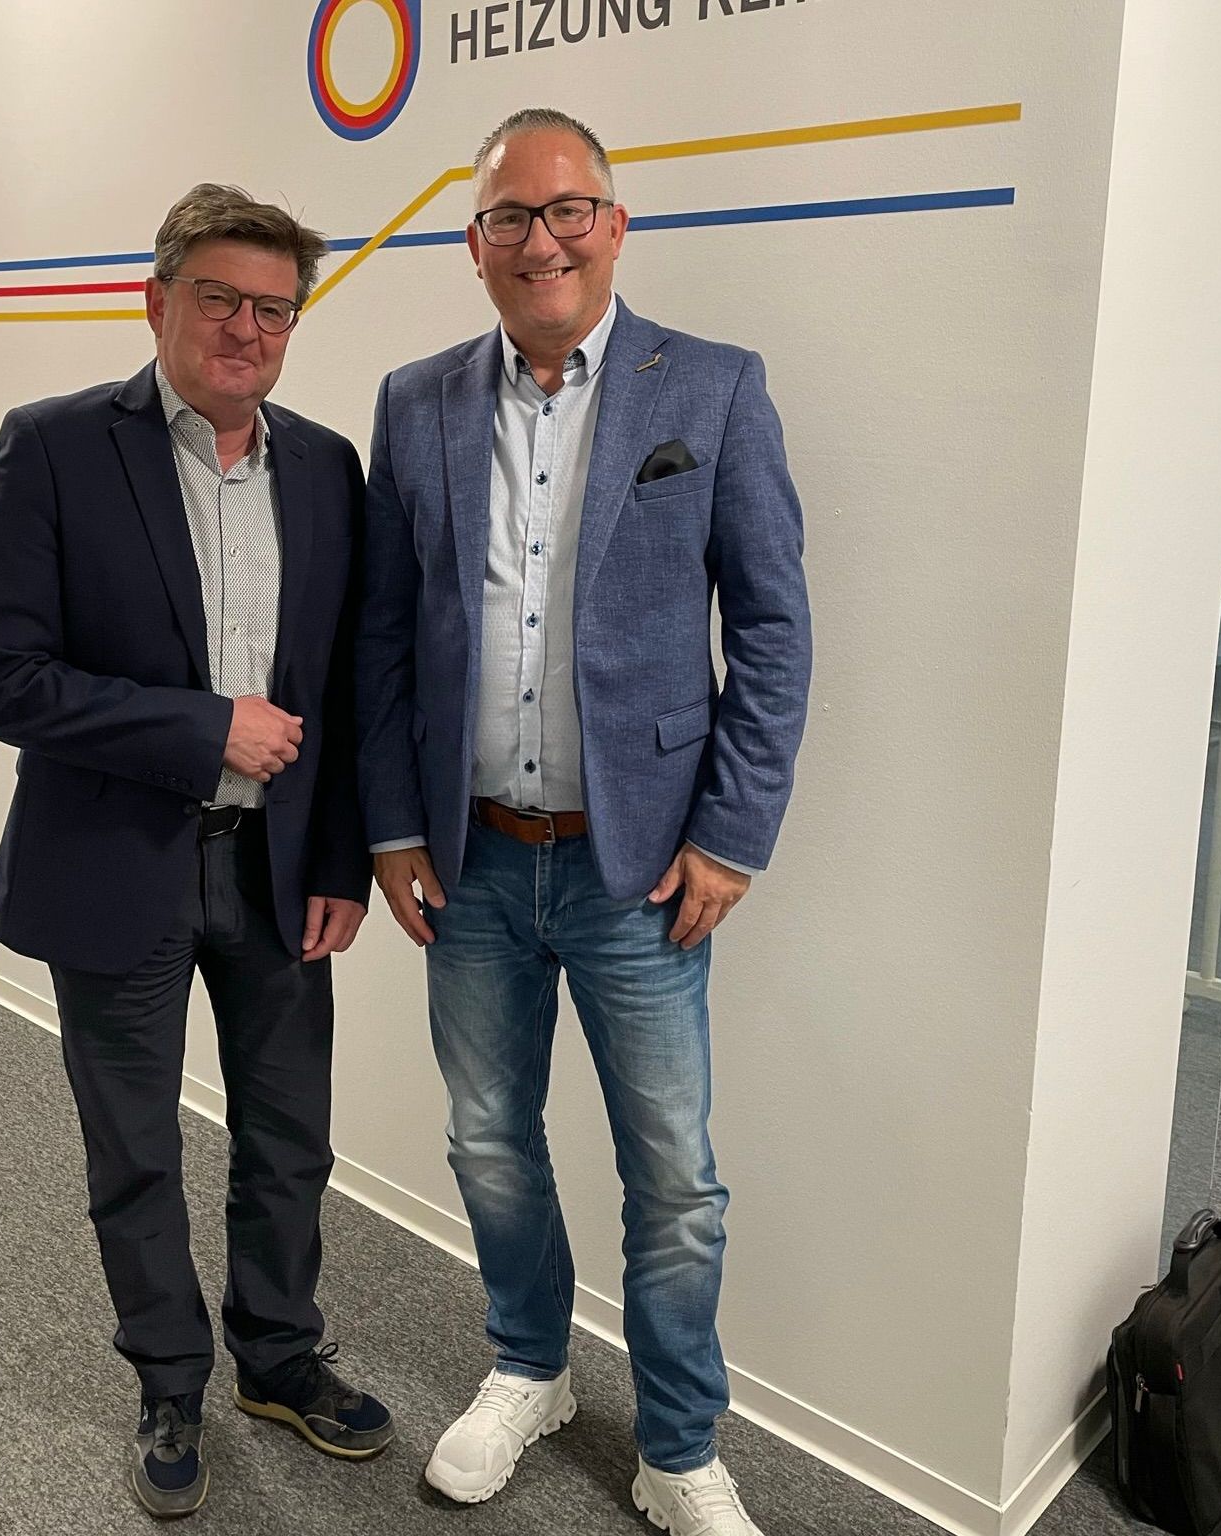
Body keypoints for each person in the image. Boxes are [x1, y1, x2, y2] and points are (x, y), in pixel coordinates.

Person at [355, 109, 811, 1536]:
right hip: (471, 859)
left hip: (642, 872)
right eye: (510, 216)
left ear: (614, 227)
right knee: (489, 1142)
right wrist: (390, 826)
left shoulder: (714, 389)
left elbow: (774, 629)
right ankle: (530, 1366)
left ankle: (678, 1448)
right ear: (474, 242)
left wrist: (732, 833)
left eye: (567, 211)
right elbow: (382, 636)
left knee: (675, 1180)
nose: (540, 239)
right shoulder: (414, 401)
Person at [0, 183, 392, 1519]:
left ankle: (278, 1355)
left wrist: (341, 861)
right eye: (220, 299)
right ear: (156, 301)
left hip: (278, 871)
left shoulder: (325, 467)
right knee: (137, 1149)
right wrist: (205, 727)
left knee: (291, 1139)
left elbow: (346, 686)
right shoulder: (54, 447)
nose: (247, 329)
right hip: (116, 863)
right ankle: (168, 1380)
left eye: (275, 309)